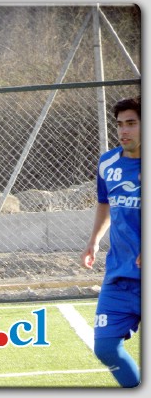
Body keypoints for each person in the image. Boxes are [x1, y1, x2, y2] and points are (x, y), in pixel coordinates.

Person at [80, 96, 141, 388]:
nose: (124, 131)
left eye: (132, 123)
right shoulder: (108, 163)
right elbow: (105, 203)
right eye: (120, 124)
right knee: (105, 347)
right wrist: (94, 241)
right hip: (119, 275)